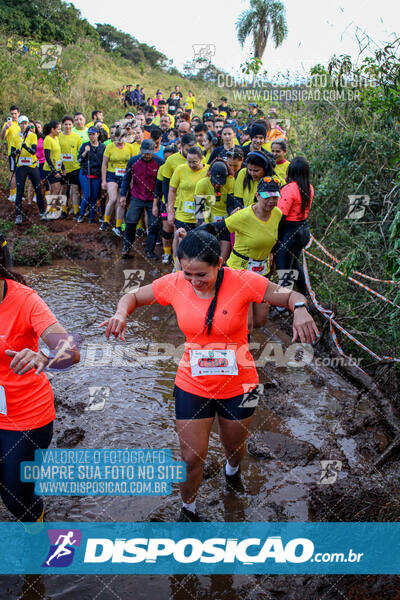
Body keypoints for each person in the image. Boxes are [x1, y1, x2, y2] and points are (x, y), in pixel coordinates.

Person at [100, 227, 318, 521]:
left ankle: (233, 470)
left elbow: (289, 295)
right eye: (187, 273)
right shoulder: (175, 283)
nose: (193, 282)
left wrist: (301, 308)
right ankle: (188, 508)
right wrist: (120, 314)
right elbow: (133, 296)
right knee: (191, 458)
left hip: (239, 383)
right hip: (193, 382)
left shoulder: (243, 281)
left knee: (235, 447)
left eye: (201, 274)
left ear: (219, 264)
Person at [0, 233, 80, 523]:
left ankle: (36, 533)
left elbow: (70, 351)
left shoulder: (25, 300)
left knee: (15, 496)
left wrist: (44, 357)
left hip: (25, 415)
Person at [274, 156, 315, 299]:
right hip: (304, 230)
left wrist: (275, 238)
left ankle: (284, 304)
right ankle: (304, 296)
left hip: (289, 232)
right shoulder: (309, 187)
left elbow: (280, 216)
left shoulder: (289, 189)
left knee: (283, 266)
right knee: (293, 265)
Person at [120, 139, 163, 260]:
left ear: (154, 151)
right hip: (136, 196)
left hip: (153, 198)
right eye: (144, 153)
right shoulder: (133, 161)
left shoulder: (160, 162)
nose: (146, 155)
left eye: (149, 153)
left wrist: (160, 199)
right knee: (130, 223)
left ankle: (150, 251)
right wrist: (123, 195)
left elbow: (162, 183)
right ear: (140, 151)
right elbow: (126, 178)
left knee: (154, 225)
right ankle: (126, 247)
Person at [194, 160, 235, 262]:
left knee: (222, 259)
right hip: (209, 221)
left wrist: (233, 214)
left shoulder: (231, 181)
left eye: (221, 183)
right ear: (209, 175)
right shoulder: (202, 184)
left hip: (226, 222)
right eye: (215, 182)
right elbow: (199, 209)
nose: (217, 185)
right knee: (208, 254)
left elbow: (230, 205)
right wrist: (202, 223)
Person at [11, 116, 47, 225]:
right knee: (20, 190)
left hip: (32, 166)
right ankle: (18, 215)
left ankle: (42, 213)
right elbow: (12, 154)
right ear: (19, 124)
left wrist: (25, 147)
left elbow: (33, 151)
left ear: (28, 125)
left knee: (38, 188)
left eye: (25, 123)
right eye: (22, 123)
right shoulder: (15, 137)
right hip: (21, 167)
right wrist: (17, 151)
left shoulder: (32, 136)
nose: (23, 125)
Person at [100, 126, 135, 237]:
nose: (120, 139)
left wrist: (132, 180)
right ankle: (105, 222)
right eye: (118, 137)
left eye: (122, 137)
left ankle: (118, 226)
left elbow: (133, 165)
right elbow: (104, 164)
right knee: (113, 198)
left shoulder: (130, 148)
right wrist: (104, 180)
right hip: (112, 175)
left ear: (126, 137)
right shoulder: (109, 147)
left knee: (121, 201)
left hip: (125, 176)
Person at [167, 146, 209, 233]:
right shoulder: (180, 169)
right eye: (189, 161)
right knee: (181, 239)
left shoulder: (208, 170)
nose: (191, 165)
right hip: (183, 215)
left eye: (194, 162)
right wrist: (170, 211)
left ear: (201, 159)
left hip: (202, 215)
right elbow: (172, 190)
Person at [153, 143, 178, 264]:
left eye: (170, 159)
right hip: (165, 203)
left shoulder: (181, 167)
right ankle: (167, 253)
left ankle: (176, 257)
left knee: (177, 231)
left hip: (179, 203)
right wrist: (155, 204)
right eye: (166, 159)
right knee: (166, 229)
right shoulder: (162, 168)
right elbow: (157, 188)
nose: (168, 161)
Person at [77, 127, 105, 223]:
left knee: (94, 196)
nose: (91, 136)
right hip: (85, 173)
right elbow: (79, 160)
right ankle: (81, 215)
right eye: (89, 134)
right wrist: (85, 152)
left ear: (98, 134)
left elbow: (104, 163)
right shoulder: (85, 145)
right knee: (87, 195)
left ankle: (92, 217)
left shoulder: (103, 147)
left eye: (93, 134)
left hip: (97, 174)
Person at [59, 115, 82, 220]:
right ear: (62, 125)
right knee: (63, 189)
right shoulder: (58, 137)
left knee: (75, 190)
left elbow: (80, 152)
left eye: (69, 124)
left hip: (74, 168)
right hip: (62, 168)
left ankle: (76, 211)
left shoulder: (77, 137)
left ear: (72, 125)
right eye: (65, 124)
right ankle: (63, 210)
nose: (67, 126)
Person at [43, 120, 63, 216]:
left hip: (57, 167)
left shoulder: (56, 138)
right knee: (56, 189)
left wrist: (62, 168)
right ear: (52, 129)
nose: (60, 131)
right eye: (58, 129)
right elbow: (47, 157)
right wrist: (54, 171)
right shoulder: (47, 139)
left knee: (54, 190)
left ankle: (51, 210)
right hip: (50, 169)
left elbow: (58, 155)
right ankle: (52, 210)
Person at [1, 104, 20, 202]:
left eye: (15, 114)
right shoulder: (8, 124)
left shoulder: (21, 123)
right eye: (12, 114)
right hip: (12, 153)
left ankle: (18, 193)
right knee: (14, 173)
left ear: (19, 114)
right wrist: (5, 128)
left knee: (20, 174)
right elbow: (2, 138)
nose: (13, 116)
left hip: (22, 153)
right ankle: (12, 194)